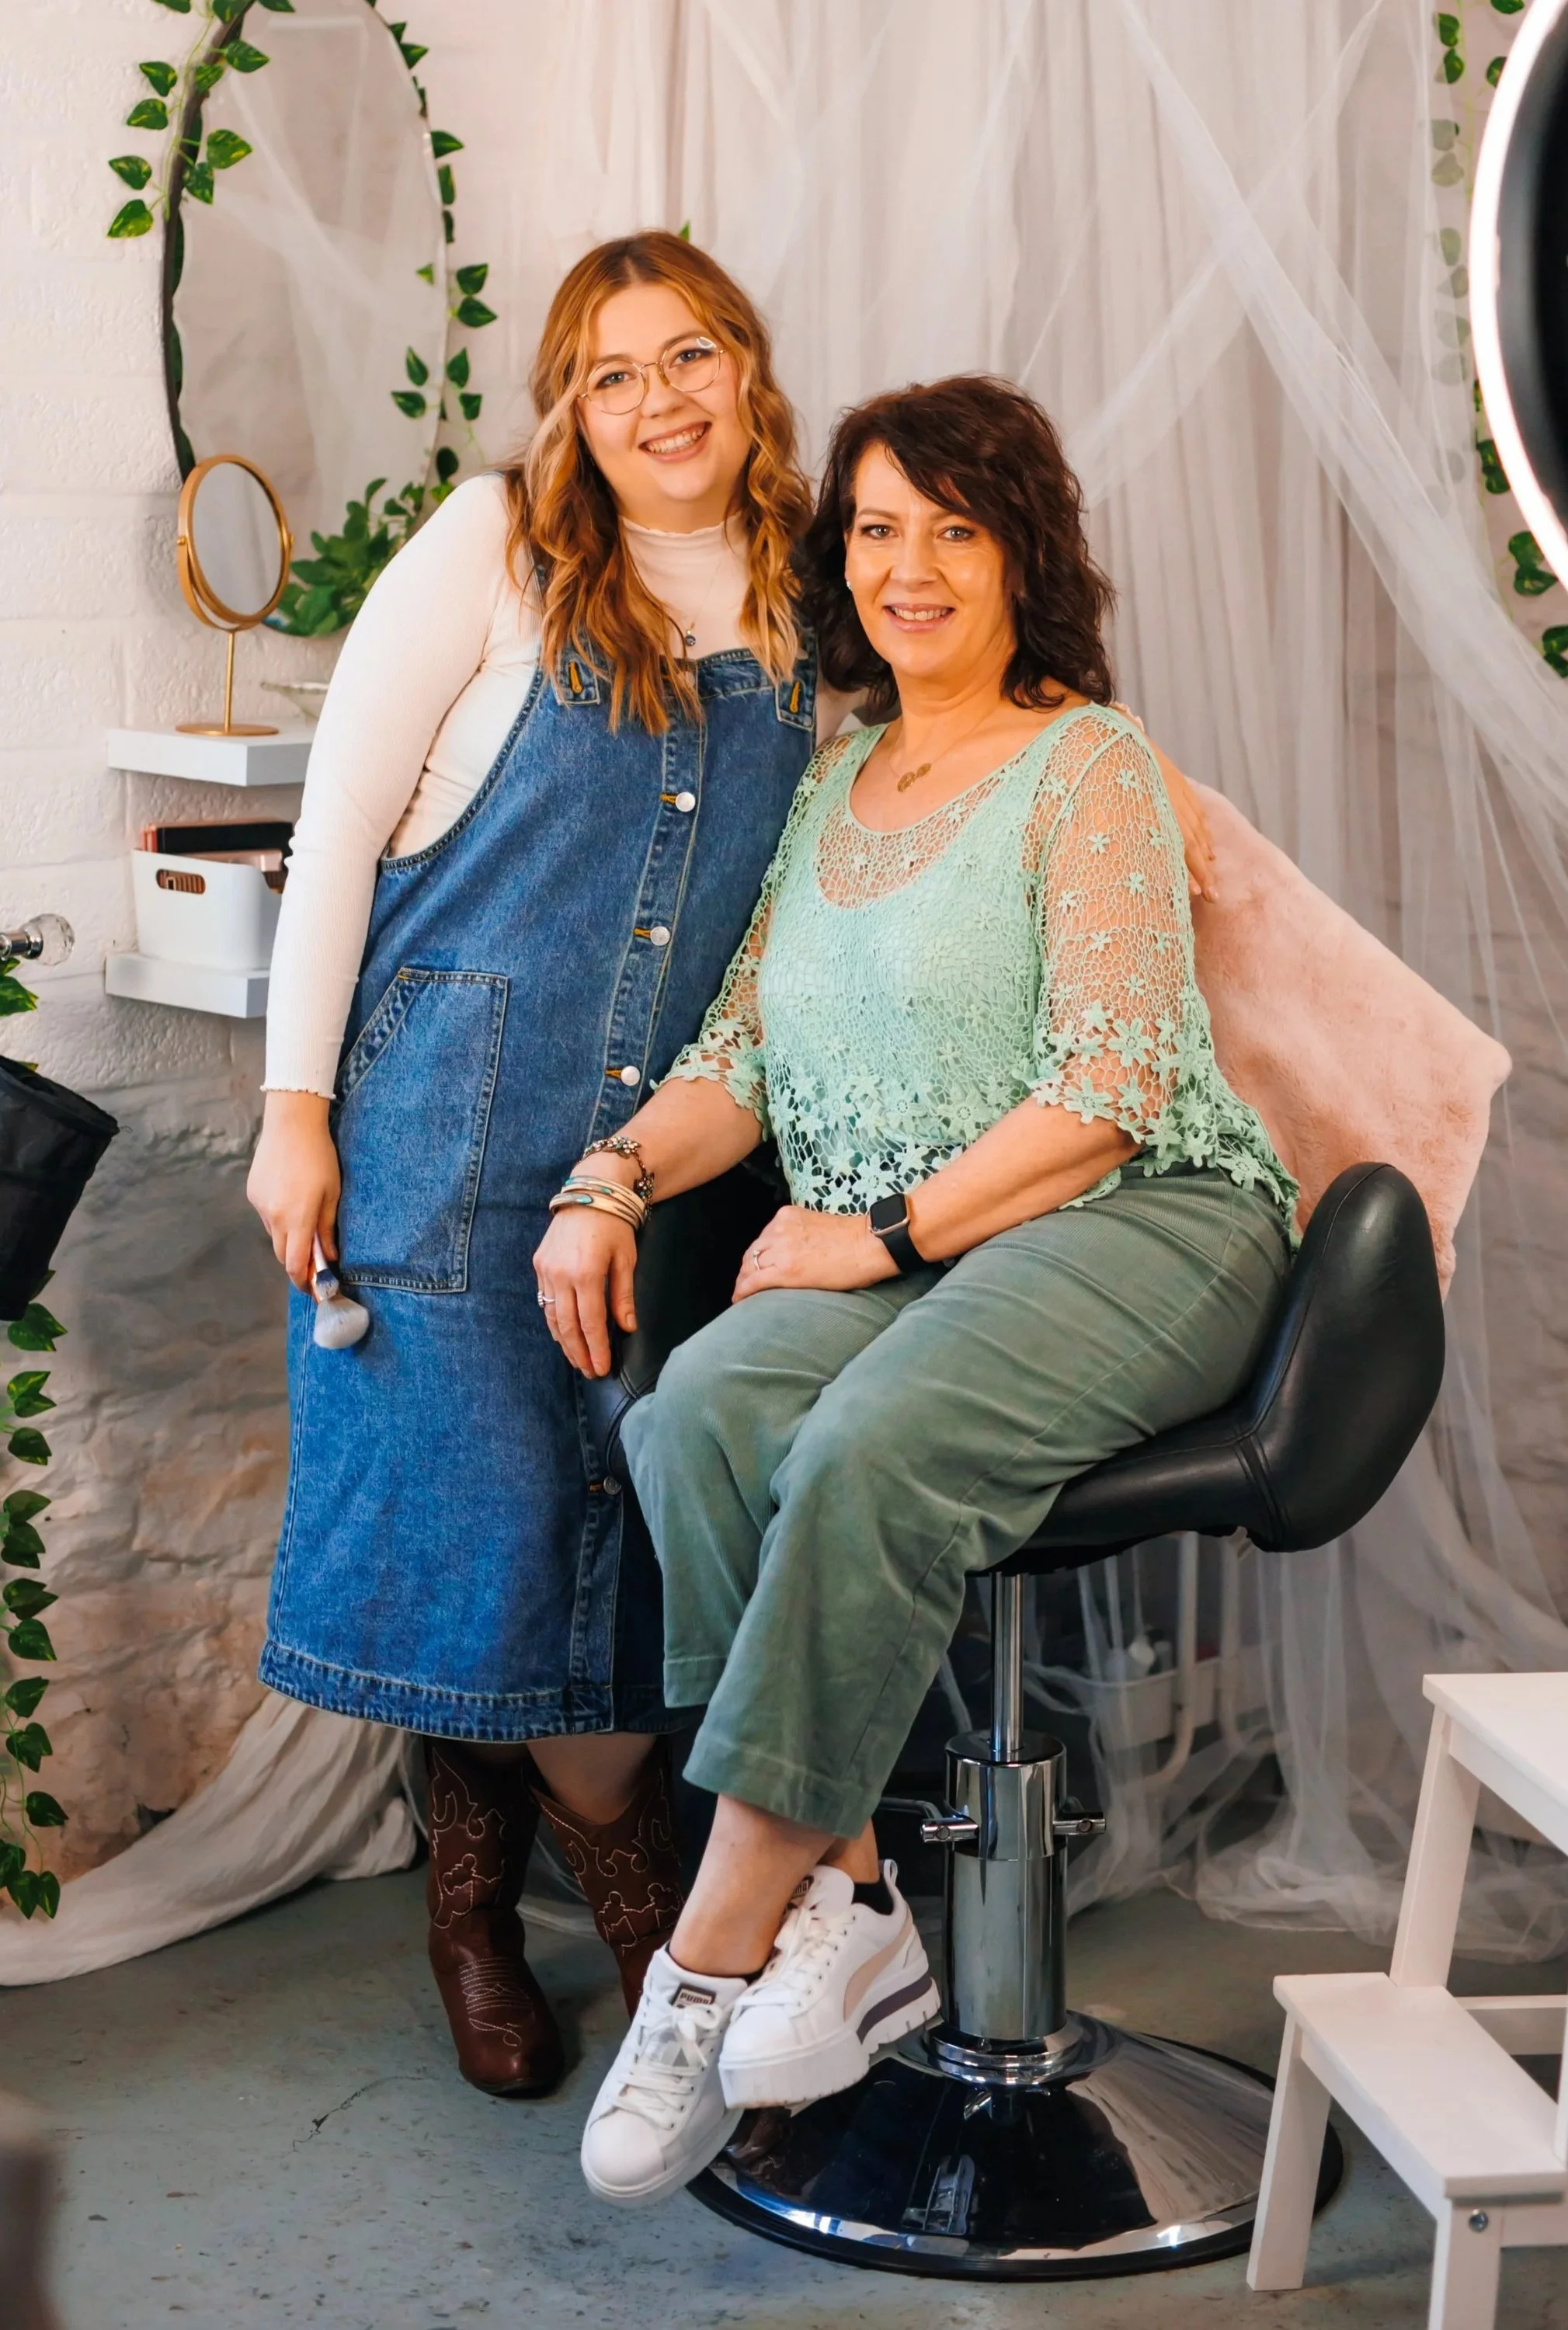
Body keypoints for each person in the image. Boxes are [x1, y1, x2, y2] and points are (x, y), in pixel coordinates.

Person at [531, 374, 1299, 2204]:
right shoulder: (826, 788)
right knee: (700, 1407)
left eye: (954, 527)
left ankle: (708, 1961)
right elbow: (741, 1057)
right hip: (912, 1247)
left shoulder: (1088, 765)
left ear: (1023, 554)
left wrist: (874, 1239)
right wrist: (609, 1175)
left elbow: (1108, 1090)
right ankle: (857, 1899)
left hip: (1139, 1223)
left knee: (866, 1439)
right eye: (878, 527)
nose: (910, 565)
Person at [246, 231, 830, 2100]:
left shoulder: (810, 583)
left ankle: (593, 1935)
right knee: (488, 1538)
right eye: (610, 373)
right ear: (568, 408)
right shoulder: (491, 546)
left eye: (689, 359)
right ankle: (561, 1928)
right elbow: (336, 834)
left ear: (746, 370)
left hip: (672, 1165)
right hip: (450, 1135)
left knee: (616, 1552)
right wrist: (293, 1109)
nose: (656, 402)